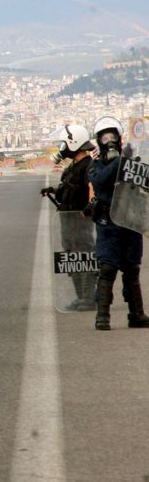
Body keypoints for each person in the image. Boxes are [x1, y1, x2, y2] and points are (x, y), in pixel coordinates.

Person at [86, 117, 149, 330]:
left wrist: (133, 161)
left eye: (112, 136)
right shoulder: (95, 165)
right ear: (99, 141)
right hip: (108, 224)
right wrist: (118, 162)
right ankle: (102, 316)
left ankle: (137, 314)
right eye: (105, 137)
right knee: (107, 268)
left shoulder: (130, 160)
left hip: (130, 221)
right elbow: (101, 180)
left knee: (132, 268)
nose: (109, 140)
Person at [40, 125, 96, 311]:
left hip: (80, 221)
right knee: (72, 259)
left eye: (65, 143)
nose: (62, 147)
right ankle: (80, 297)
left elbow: (91, 189)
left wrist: (89, 208)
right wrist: (54, 191)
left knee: (84, 257)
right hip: (68, 220)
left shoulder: (88, 166)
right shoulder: (73, 166)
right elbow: (70, 189)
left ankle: (88, 298)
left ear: (74, 143)